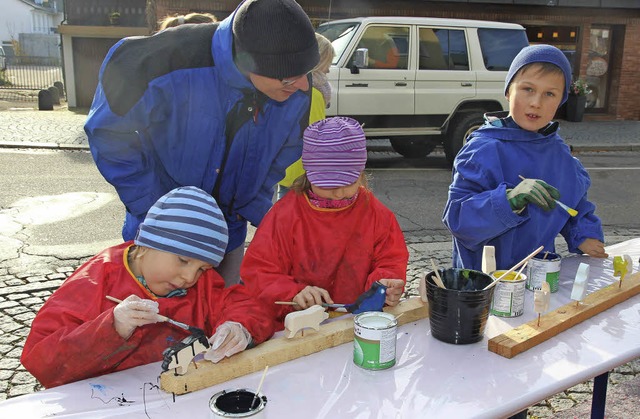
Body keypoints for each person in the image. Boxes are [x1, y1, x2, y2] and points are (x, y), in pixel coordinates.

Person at [84, 0, 320, 286]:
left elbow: (284, 153)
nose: (304, 87)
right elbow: (109, 134)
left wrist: (254, 207)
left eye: (306, 73)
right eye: (289, 78)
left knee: (223, 318)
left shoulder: (294, 83)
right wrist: (158, 213)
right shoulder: (159, 61)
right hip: (162, 242)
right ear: (248, 62)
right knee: (152, 324)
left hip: (228, 236)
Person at [20, 187, 275, 388]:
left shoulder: (203, 285)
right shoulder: (94, 282)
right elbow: (41, 361)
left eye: (202, 269)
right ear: (146, 244)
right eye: (183, 260)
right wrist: (111, 327)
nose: (189, 277)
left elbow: (247, 306)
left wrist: (240, 326)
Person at [442, 44, 607, 271]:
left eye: (549, 94)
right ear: (509, 91)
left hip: (538, 276)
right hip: (483, 281)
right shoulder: (481, 150)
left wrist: (583, 234)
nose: (536, 103)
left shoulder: (560, 154)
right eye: (528, 89)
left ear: (561, 101)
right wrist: (507, 200)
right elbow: (458, 220)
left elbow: (575, 205)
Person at [241, 117, 409, 329]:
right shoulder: (285, 215)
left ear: (361, 173)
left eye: (349, 183)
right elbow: (258, 271)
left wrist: (384, 284)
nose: (339, 193)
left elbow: (390, 259)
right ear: (310, 176)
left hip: (354, 323)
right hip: (298, 328)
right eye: (328, 185)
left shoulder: (377, 215)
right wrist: (293, 292)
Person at [277, 33, 335, 199]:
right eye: (328, 62)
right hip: (303, 170)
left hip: (285, 165)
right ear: (318, 60)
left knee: (285, 212)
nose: (329, 69)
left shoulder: (289, 85)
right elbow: (316, 135)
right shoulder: (314, 92)